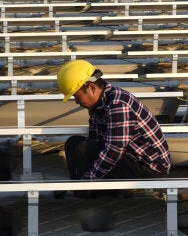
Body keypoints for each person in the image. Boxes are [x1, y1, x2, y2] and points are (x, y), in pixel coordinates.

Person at [56, 60, 170, 196]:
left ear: (91, 87)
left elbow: (114, 150)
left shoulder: (118, 104)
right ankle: (82, 191)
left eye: (76, 96)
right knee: (72, 143)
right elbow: (95, 140)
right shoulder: (97, 104)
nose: (76, 101)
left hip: (148, 168)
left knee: (84, 149)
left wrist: (89, 178)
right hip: (129, 157)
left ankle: (88, 192)